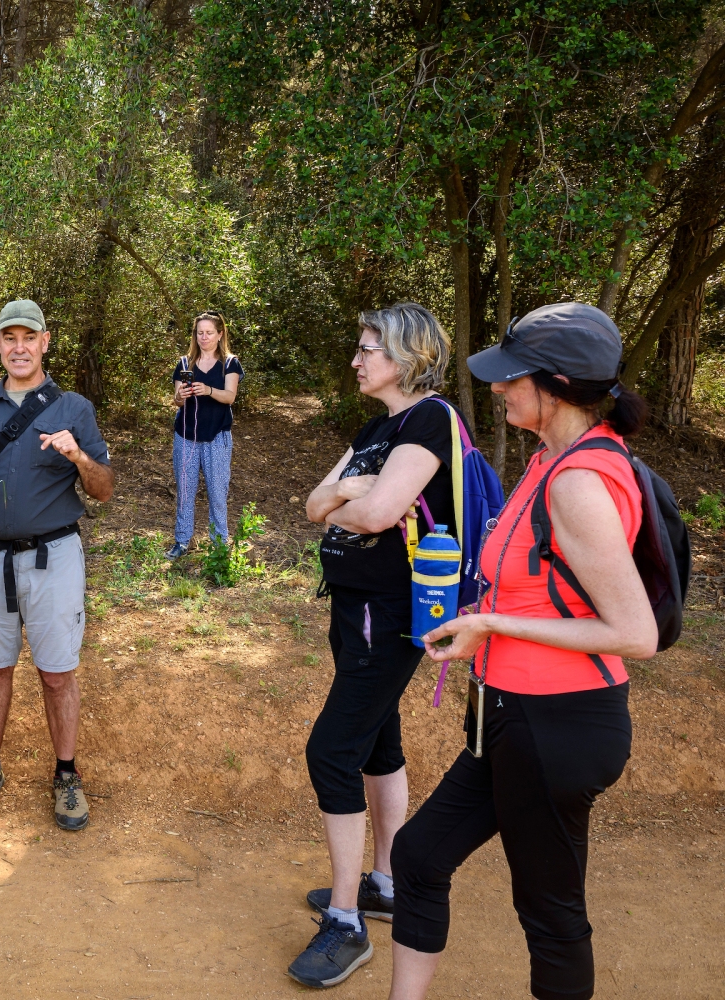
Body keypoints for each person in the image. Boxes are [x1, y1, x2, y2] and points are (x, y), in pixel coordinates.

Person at [387, 304, 654, 1000]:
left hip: (557, 725)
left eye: (512, 380)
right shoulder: (549, 459)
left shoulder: (578, 482)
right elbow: (549, 590)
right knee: (418, 855)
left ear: (557, 386)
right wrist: (483, 618)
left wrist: (496, 628)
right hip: (509, 716)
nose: (499, 390)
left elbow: (635, 632)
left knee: (550, 914)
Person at [296, 302, 465, 988]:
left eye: (370, 349)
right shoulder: (376, 428)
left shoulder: (429, 418)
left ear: (408, 356)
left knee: (332, 750)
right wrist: (351, 489)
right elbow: (312, 505)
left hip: (390, 615)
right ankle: (385, 883)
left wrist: (354, 493)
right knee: (377, 744)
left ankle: (345, 921)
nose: (358, 359)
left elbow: (376, 512)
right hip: (354, 607)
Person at [0, 298, 115, 832]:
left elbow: (104, 490)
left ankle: (66, 775)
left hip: (53, 557)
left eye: (28, 337)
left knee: (57, 674)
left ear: (45, 343)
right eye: (8, 338)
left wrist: (79, 458)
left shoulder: (74, 409)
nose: (18, 347)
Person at [168, 309, 244, 559]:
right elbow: (177, 401)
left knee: (217, 493)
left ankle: (220, 546)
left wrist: (208, 389)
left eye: (209, 332)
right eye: (200, 332)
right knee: (185, 493)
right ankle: (181, 542)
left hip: (217, 438)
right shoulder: (184, 363)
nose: (204, 337)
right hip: (186, 437)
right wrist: (181, 396)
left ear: (220, 334)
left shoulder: (230, 363)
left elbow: (229, 397)